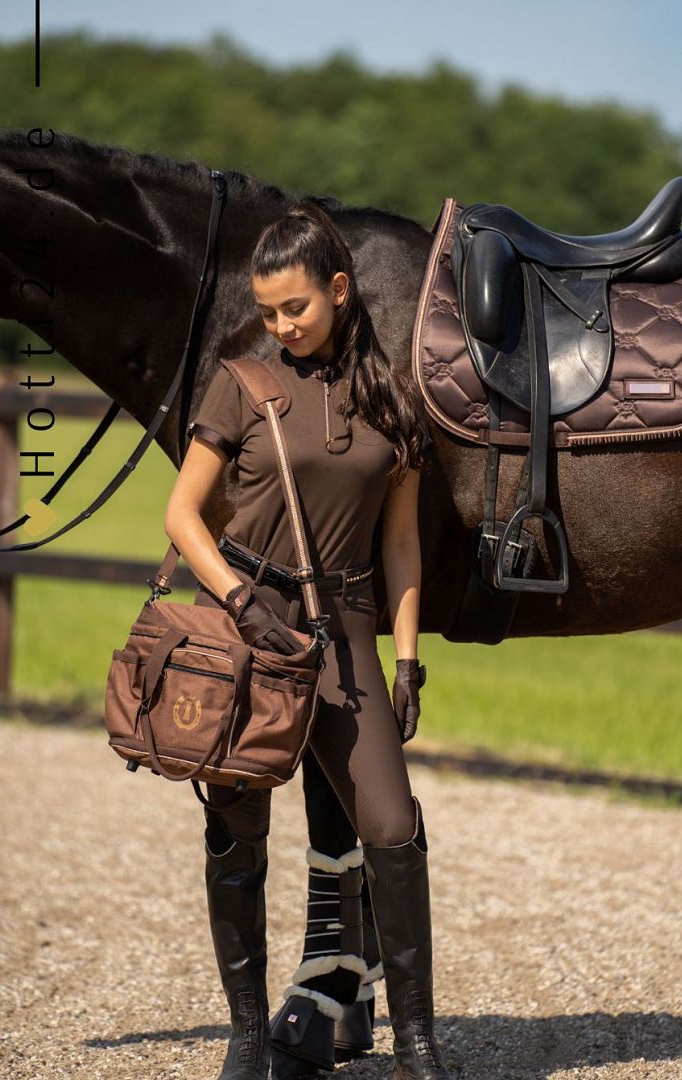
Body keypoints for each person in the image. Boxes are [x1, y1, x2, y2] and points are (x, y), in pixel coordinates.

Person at [163, 200, 451, 1080]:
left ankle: (418, 1046)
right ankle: (249, 1037)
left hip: (347, 632)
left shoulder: (397, 403)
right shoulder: (241, 384)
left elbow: (399, 544)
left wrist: (405, 657)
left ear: (338, 289)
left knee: (394, 828)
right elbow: (182, 514)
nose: (282, 325)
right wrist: (237, 596)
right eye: (269, 311)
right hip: (249, 634)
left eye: (297, 306)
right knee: (237, 828)